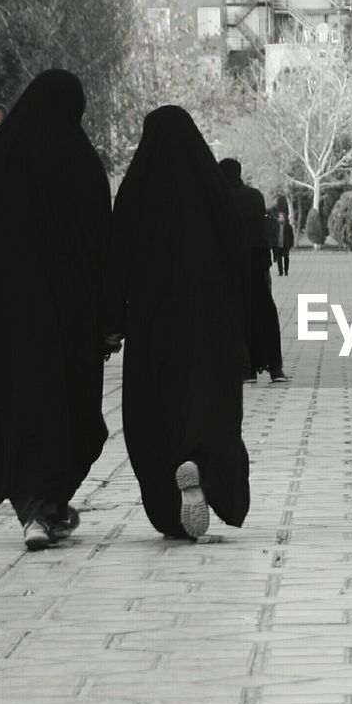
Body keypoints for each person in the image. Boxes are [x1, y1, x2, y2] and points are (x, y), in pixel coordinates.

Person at [0, 70, 111, 551]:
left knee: (19, 404)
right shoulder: (80, 161)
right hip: (69, 317)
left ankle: (39, 509)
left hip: (7, 317)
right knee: (67, 408)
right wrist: (106, 319)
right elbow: (102, 240)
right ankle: (45, 506)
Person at [103, 108, 251, 540]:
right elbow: (240, 260)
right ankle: (202, 465)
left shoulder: (136, 193)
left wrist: (110, 322)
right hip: (212, 323)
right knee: (211, 405)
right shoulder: (214, 193)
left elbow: (116, 260)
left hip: (153, 322)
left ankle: (172, 490)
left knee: (156, 409)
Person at [220, 159, 288, 384]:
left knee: (237, 315)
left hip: (230, 265)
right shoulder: (254, 196)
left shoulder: (221, 198)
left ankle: (245, 368)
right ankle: (274, 367)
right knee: (264, 312)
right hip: (258, 262)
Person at [272, 210, 295, 277]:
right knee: (279, 259)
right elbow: (273, 235)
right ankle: (280, 271)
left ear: (285, 218)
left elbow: (291, 236)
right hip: (278, 245)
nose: (281, 219)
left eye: (282, 217)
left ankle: (286, 270)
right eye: (280, 217)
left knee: (286, 258)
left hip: (286, 245)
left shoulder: (288, 226)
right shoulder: (276, 226)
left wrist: (291, 244)